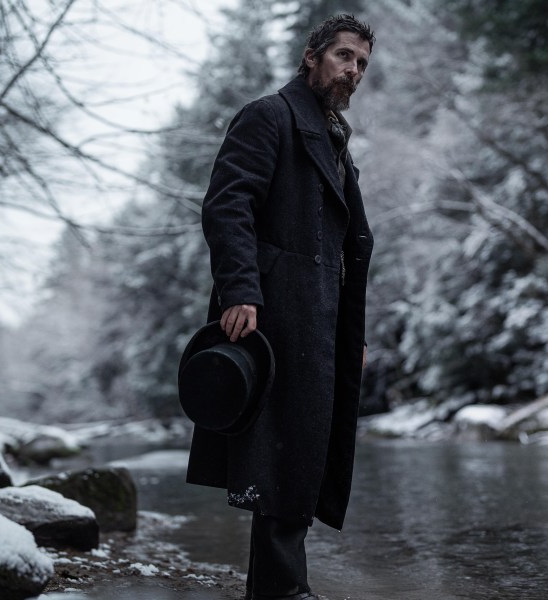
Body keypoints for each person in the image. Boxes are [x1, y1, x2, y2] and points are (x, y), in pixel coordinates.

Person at [185, 14, 376, 600]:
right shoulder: (270, 115)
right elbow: (228, 204)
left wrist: (352, 334)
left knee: (304, 454)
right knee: (279, 454)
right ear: (311, 55)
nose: (353, 71)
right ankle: (283, 591)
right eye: (344, 56)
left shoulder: (335, 139)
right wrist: (241, 289)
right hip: (275, 311)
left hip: (321, 320)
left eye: (362, 64)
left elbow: (348, 246)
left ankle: (280, 589)